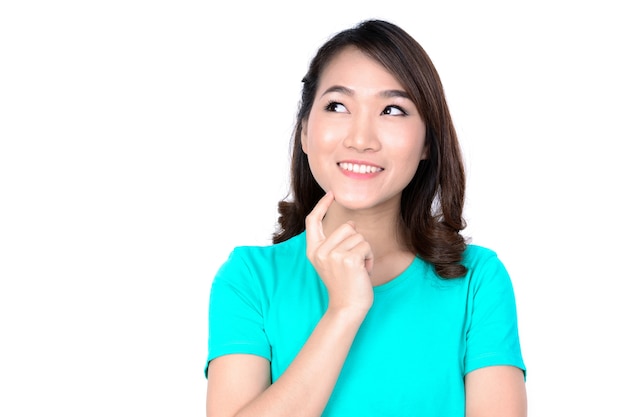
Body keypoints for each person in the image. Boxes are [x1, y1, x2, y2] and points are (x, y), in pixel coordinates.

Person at [204, 19, 526, 417]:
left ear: (428, 142)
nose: (361, 139)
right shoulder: (250, 278)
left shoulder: (477, 280)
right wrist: (344, 311)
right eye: (337, 106)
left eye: (392, 110)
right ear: (304, 132)